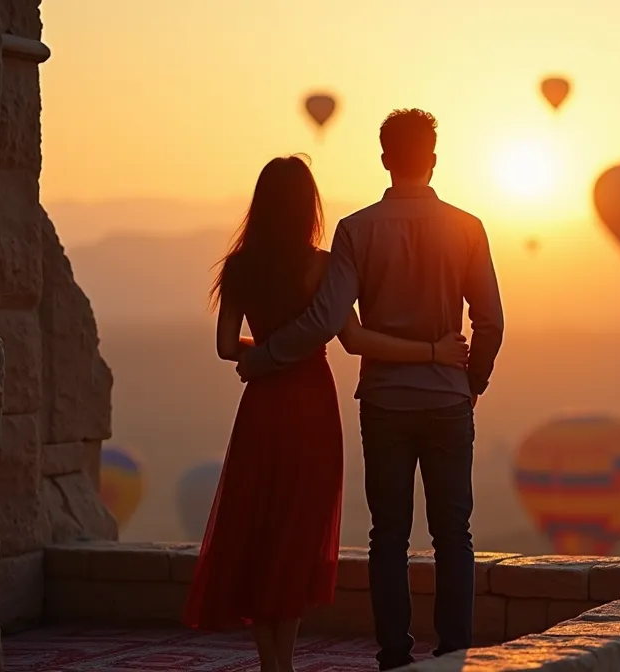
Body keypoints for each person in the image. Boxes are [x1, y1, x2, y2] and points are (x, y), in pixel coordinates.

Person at [236, 109, 505, 670]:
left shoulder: (356, 230)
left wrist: (265, 355)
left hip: (384, 402)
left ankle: (394, 656)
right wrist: (471, 381)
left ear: (385, 159)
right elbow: (491, 321)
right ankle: (454, 652)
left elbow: (326, 321)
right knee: (453, 534)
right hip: (448, 400)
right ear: (433, 159)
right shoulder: (467, 227)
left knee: (389, 536)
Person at [182, 155, 470, 672]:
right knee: (296, 532)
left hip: (262, 406)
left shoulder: (238, 268)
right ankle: (287, 661)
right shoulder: (321, 265)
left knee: (259, 528)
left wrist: (263, 351)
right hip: (311, 405)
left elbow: (227, 347)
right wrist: (432, 352)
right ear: (307, 206)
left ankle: (270, 662)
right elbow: (354, 338)